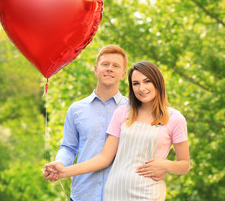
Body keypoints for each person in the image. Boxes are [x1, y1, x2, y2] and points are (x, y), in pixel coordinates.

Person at [44, 61, 190, 201]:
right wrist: (63, 171)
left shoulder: (175, 118)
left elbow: (185, 165)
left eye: (147, 81)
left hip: (148, 193)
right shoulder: (122, 113)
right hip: (114, 192)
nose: (141, 88)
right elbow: (104, 158)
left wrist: (167, 166)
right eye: (136, 83)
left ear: (158, 83)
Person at [43, 45, 129, 201]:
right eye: (105, 64)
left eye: (115, 66)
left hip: (121, 195)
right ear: (96, 69)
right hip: (83, 194)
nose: (109, 69)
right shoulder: (76, 109)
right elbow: (68, 147)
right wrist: (59, 164)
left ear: (123, 74)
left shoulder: (133, 110)